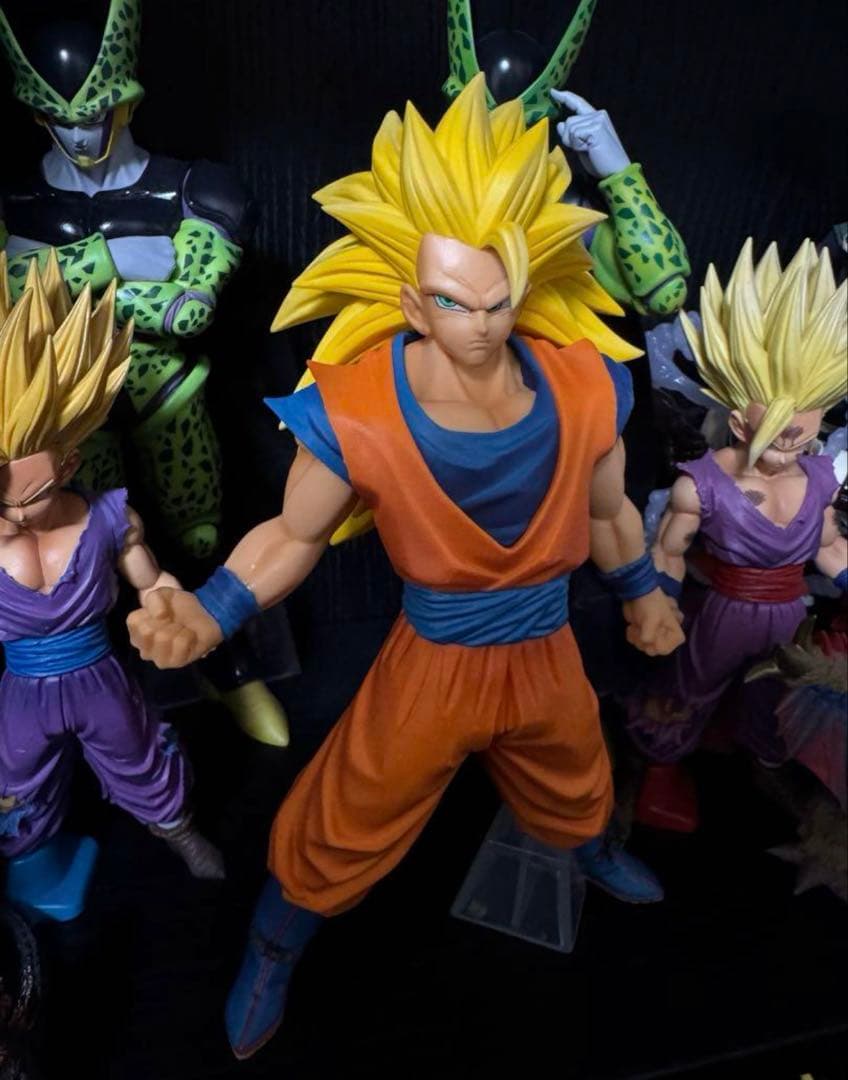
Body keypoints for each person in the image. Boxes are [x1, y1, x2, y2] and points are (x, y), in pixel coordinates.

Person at [127, 76, 684, 1057]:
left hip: (546, 646)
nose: (482, 323)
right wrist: (210, 612)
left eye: (500, 300)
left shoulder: (584, 383)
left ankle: (591, 848)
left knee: (576, 775)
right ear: (410, 303)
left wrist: (640, 596)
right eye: (454, 302)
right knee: (346, 816)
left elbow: (606, 512)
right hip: (433, 663)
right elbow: (293, 535)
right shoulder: (360, 410)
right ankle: (275, 942)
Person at [0, 251, 223, 918]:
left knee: (142, 757)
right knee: (12, 782)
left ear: (68, 465)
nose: (16, 513)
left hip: (101, 674)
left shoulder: (109, 517)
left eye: (31, 495)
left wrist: (170, 605)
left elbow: (152, 581)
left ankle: (178, 832)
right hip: (21, 688)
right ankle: (32, 864)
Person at [629, 238, 848, 831]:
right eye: (777, 434)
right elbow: (668, 551)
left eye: (802, 435)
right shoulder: (700, 484)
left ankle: (764, 769)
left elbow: (829, 547)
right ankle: (659, 774)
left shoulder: (820, 478)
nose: (791, 448)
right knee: (688, 689)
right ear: (737, 421)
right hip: (724, 611)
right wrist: (658, 607)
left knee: (776, 699)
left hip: (790, 615)